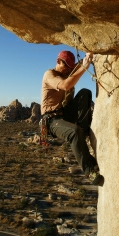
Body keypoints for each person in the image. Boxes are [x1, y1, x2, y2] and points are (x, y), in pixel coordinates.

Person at [41, 50, 103, 185]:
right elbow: (66, 85)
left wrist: (88, 57)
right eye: (66, 66)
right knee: (73, 132)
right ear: (58, 61)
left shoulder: (66, 72)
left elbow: (76, 68)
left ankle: (83, 129)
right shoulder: (50, 75)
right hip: (51, 120)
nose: (68, 70)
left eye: (70, 67)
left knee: (85, 93)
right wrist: (84, 67)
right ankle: (89, 170)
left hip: (63, 113)